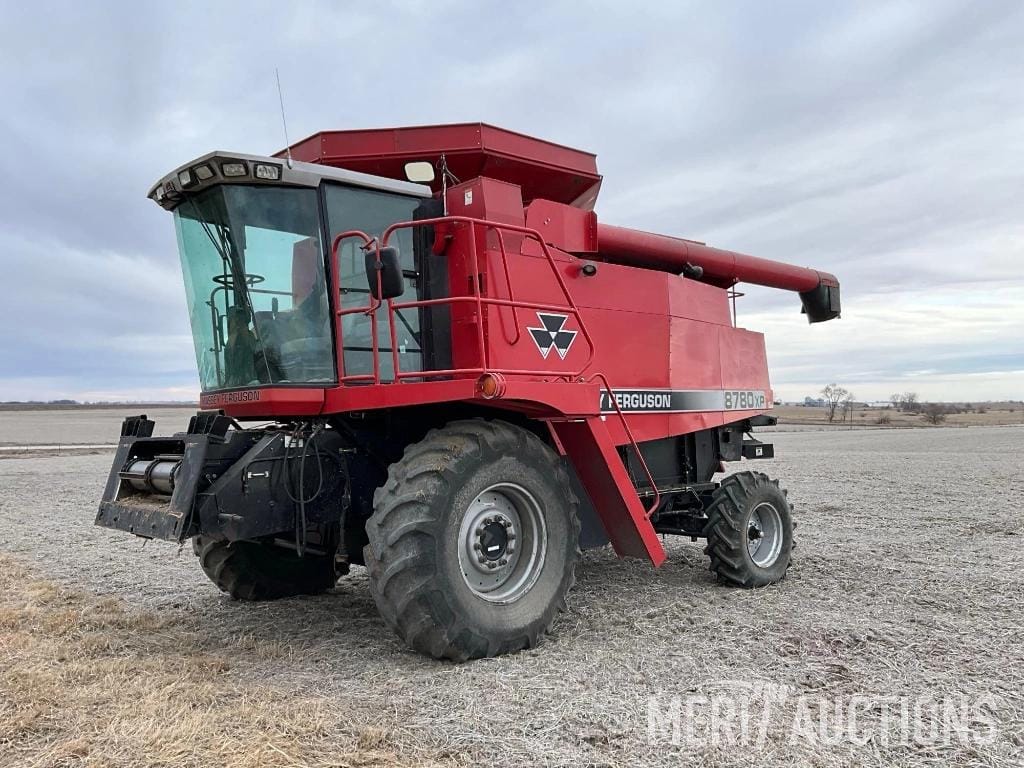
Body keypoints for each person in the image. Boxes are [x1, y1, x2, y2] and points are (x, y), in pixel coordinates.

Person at [224, 305, 258, 386]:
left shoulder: (250, 336)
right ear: (230, 322)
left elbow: (257, 353)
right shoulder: (231, 342)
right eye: (236, 320)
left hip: (253, 381)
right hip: (237, 385)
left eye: (242, 321)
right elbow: (233, 368)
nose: (239, 324)